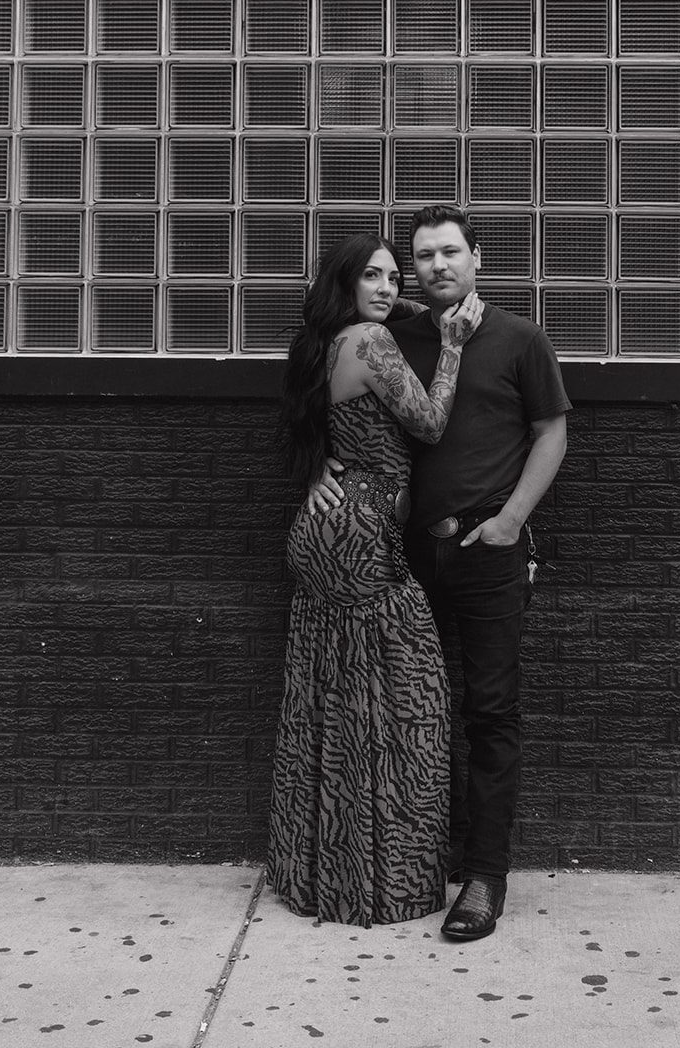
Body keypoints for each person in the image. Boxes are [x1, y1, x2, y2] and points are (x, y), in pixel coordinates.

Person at [308, 205, 569, 941]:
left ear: (476, 257)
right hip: (403, 556)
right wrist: (316, 470)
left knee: (489, 712)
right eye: (421, 257)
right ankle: (425, 859)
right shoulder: (394, 336)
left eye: (449, 252)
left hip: (489, 549)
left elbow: (551, 433)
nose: (434, 267)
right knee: (410, 712)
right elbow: (332, 410)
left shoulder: (518, 338)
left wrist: (513, 519)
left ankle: (484, 877)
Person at [267, 231, 483, 928]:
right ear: (347, 284)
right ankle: (377, 881)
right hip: (359, 544)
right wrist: (451, 346)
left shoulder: (327, 345)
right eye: (373, 276)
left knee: (336, 700)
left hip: (333, 534)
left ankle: (326, 874)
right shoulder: (368, 340)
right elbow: (426, 423)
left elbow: (321, 437)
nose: (389, 288)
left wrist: (313, 477)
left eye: (395, 276)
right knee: (409, 698)